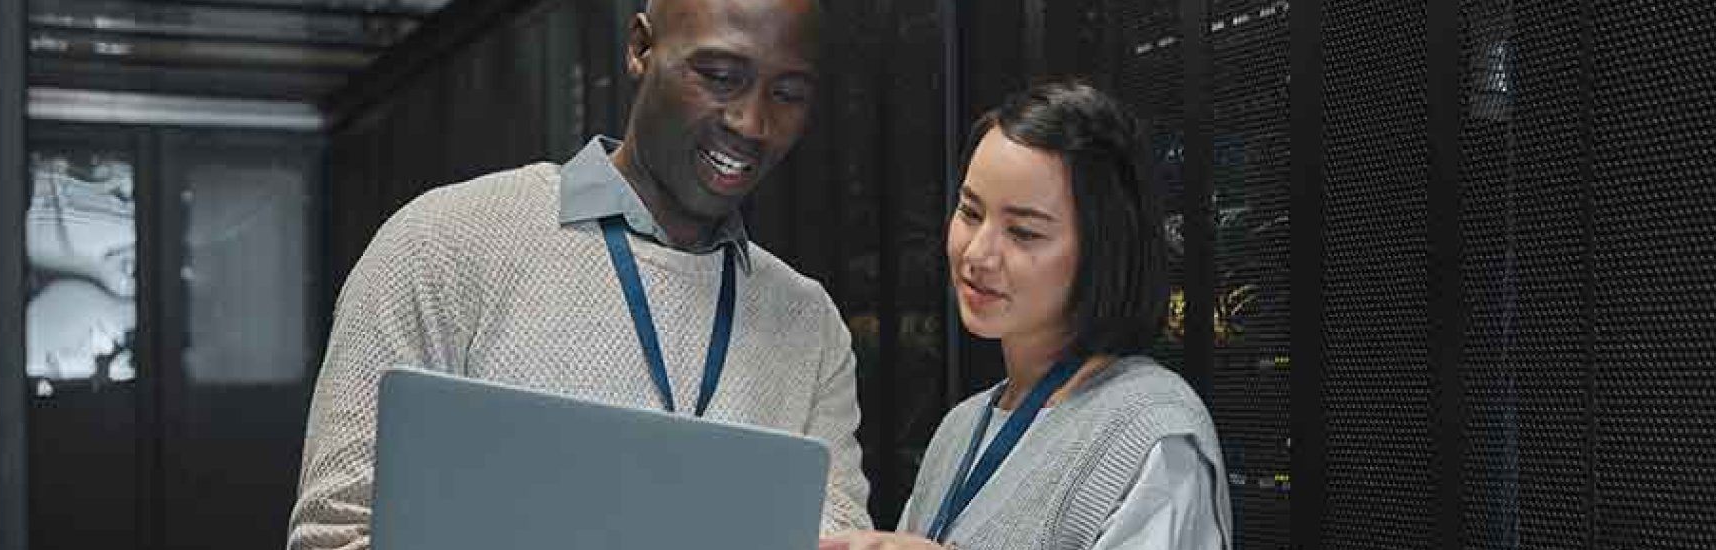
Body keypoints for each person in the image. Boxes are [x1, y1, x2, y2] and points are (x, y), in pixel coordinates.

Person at [287, 0, 872, 547]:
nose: (751, 122)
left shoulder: (809, 325)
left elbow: (837, 539)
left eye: (788, 93)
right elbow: (335, 533)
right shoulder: (444, 242)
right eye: (719, 77)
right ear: (641, 49)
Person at [822, 82, 1231, 550]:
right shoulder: (960, 428)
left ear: (1104, 249)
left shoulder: (1152, 433)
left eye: (1023, 233)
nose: (978, 253)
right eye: (970, 212)